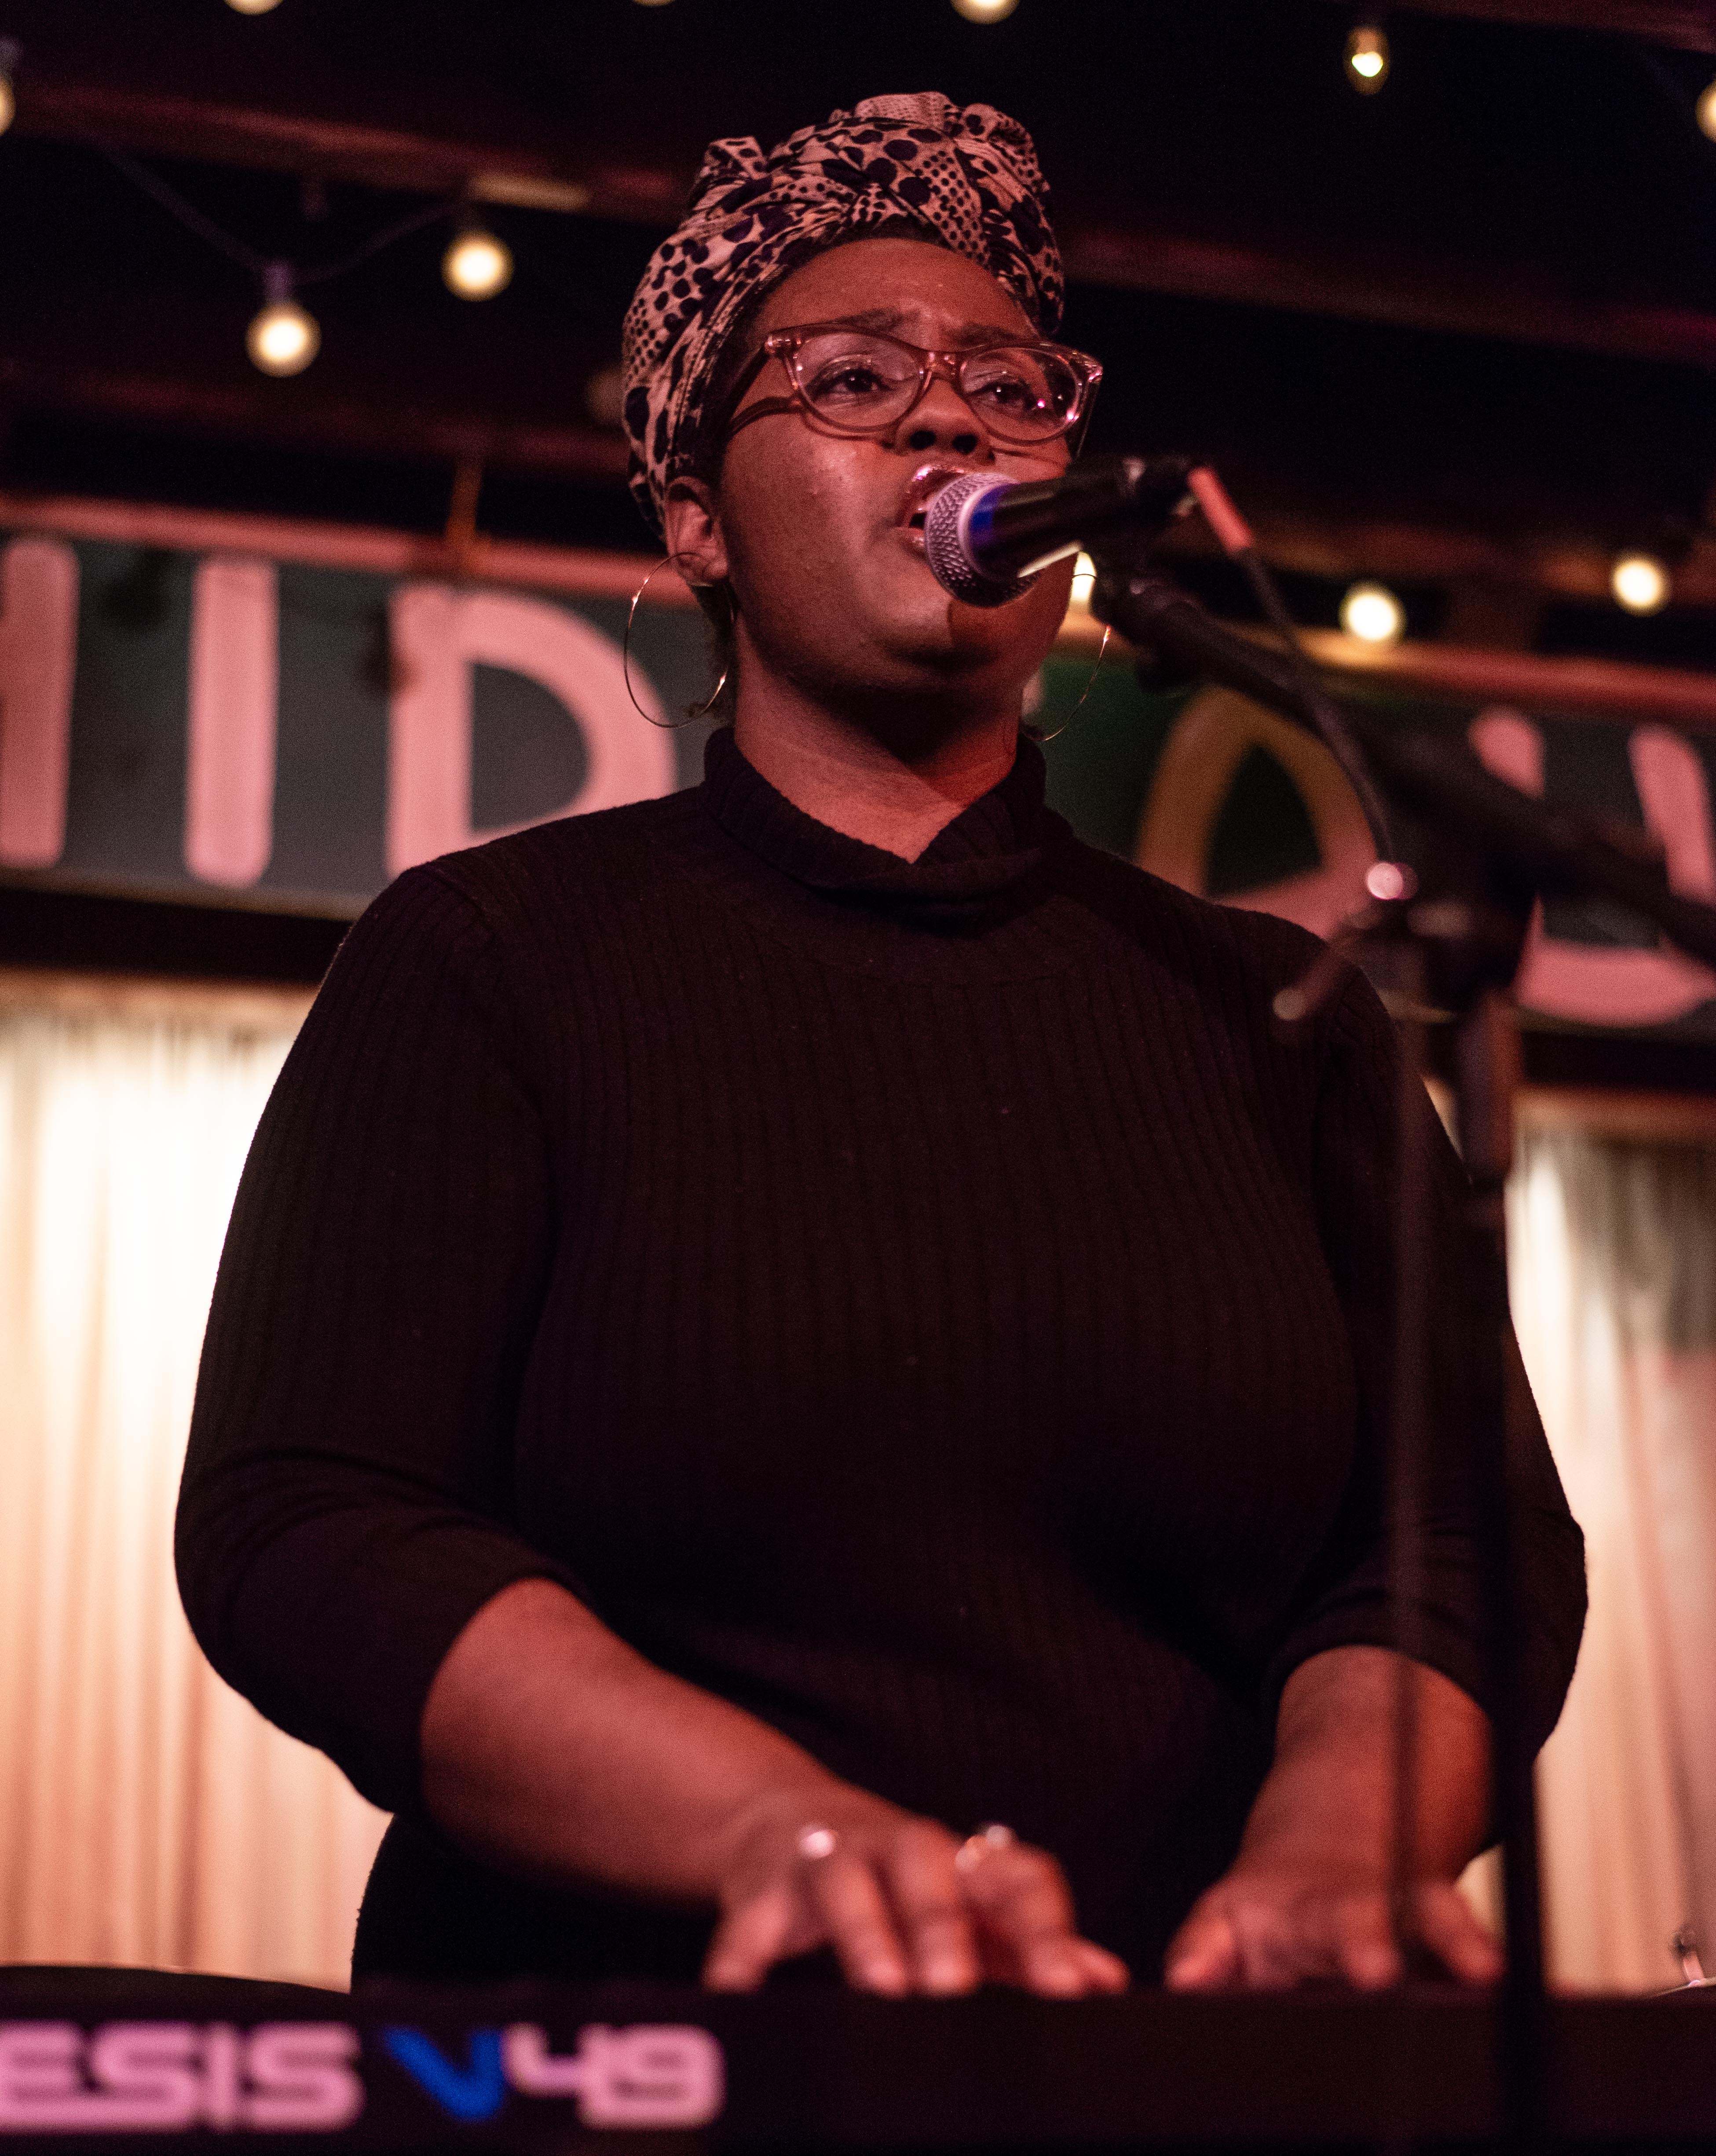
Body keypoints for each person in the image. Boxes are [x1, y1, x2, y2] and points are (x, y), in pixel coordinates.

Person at [176, 92, 1585, 1998]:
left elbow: (1458, 1546)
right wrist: (778, 1826)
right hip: (635, 2050)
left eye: (1011, 388)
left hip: (1171, 2050)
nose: (951, 426)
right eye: (851, 380)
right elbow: (309, 1520)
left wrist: (1333, 1854)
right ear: (694, 513)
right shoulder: (490, 959)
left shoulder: (1278, 1013)